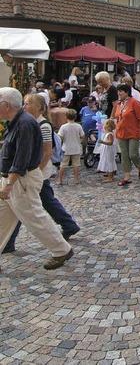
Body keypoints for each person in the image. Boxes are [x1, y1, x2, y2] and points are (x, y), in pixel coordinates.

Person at [0, 87, 73, 271]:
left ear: (5, 105)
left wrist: (9, 184)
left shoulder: (25, 124)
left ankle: (61, 249)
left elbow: (21, 158)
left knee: (34, 216)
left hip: (19, 181)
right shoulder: (17, 122)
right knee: (3, 219)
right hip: (13, 179)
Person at [112, 83, 140, 186]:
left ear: (126, 92)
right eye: (118, 91)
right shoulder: (119, 104)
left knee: (133, 154)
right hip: (121, 132)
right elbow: (117, 117)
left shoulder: (134, 103)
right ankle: (127, 176)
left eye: (121, 91)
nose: (119, 93)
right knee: (124, 155)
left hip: (133, 132)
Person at [57, 108, 84, 185]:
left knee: (63, 165)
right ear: (75, 117)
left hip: (66, 148)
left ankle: (60, 180)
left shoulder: (63, 127)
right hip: (76, 148)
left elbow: (60, 137)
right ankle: (76, 179)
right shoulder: (78, 126)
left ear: (66, 117)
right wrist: (79, 142)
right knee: (76, 165)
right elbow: (82, 136)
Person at [97, 119, 118, 183]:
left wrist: (103, 142)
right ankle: (109, 173)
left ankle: (110, 177)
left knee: (109, 162)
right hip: (106, 150)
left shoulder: (109, 134)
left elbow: (110, 143)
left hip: (108, 150)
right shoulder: (107, 133)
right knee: (107, 161)